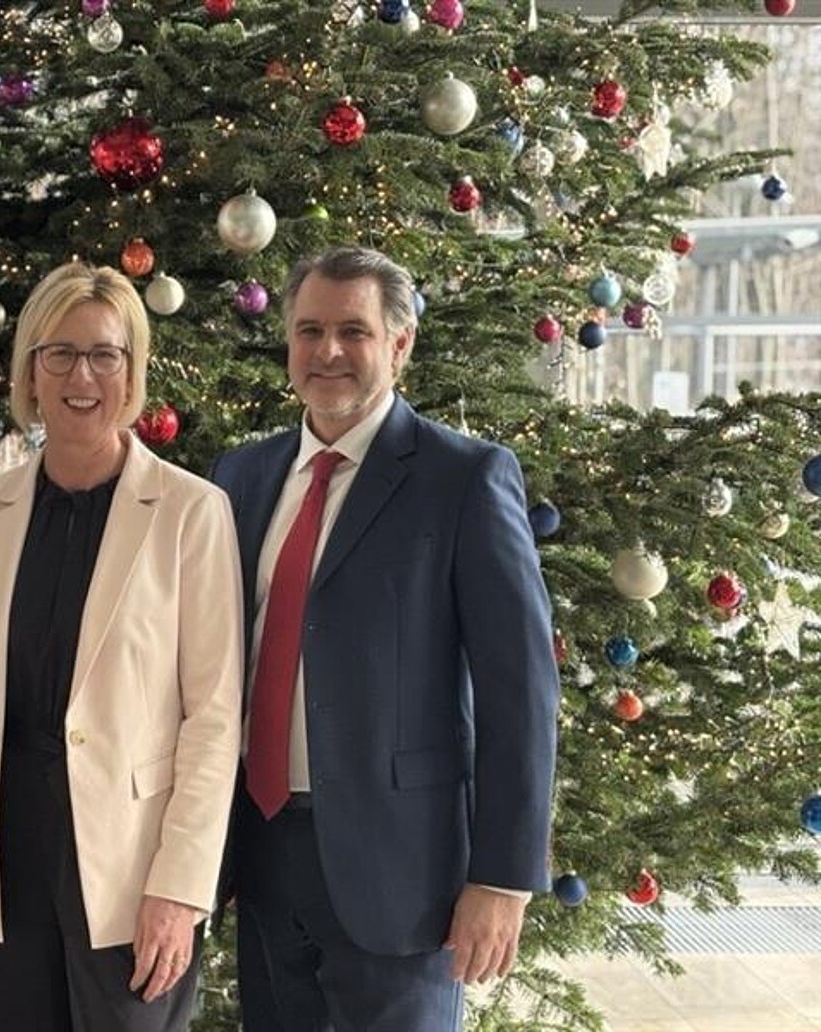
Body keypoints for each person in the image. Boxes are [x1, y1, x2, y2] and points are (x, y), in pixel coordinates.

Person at [211, 246, 560, 1032]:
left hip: (405, 875)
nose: (327, 352)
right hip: (259, 853)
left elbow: (522, 694)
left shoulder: (464, 479)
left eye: (352, 332)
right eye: (308, 331)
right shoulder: (241, 477)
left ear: (399, 345)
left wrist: (502, 881)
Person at [0, 261, 243, 1032]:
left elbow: (215, 719)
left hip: (131, 873)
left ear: (132, 373)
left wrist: (181, 889)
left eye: (104, 354)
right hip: (4, 854)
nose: (81, 375)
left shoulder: (192, 513)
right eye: (58, 353)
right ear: (30, 370)